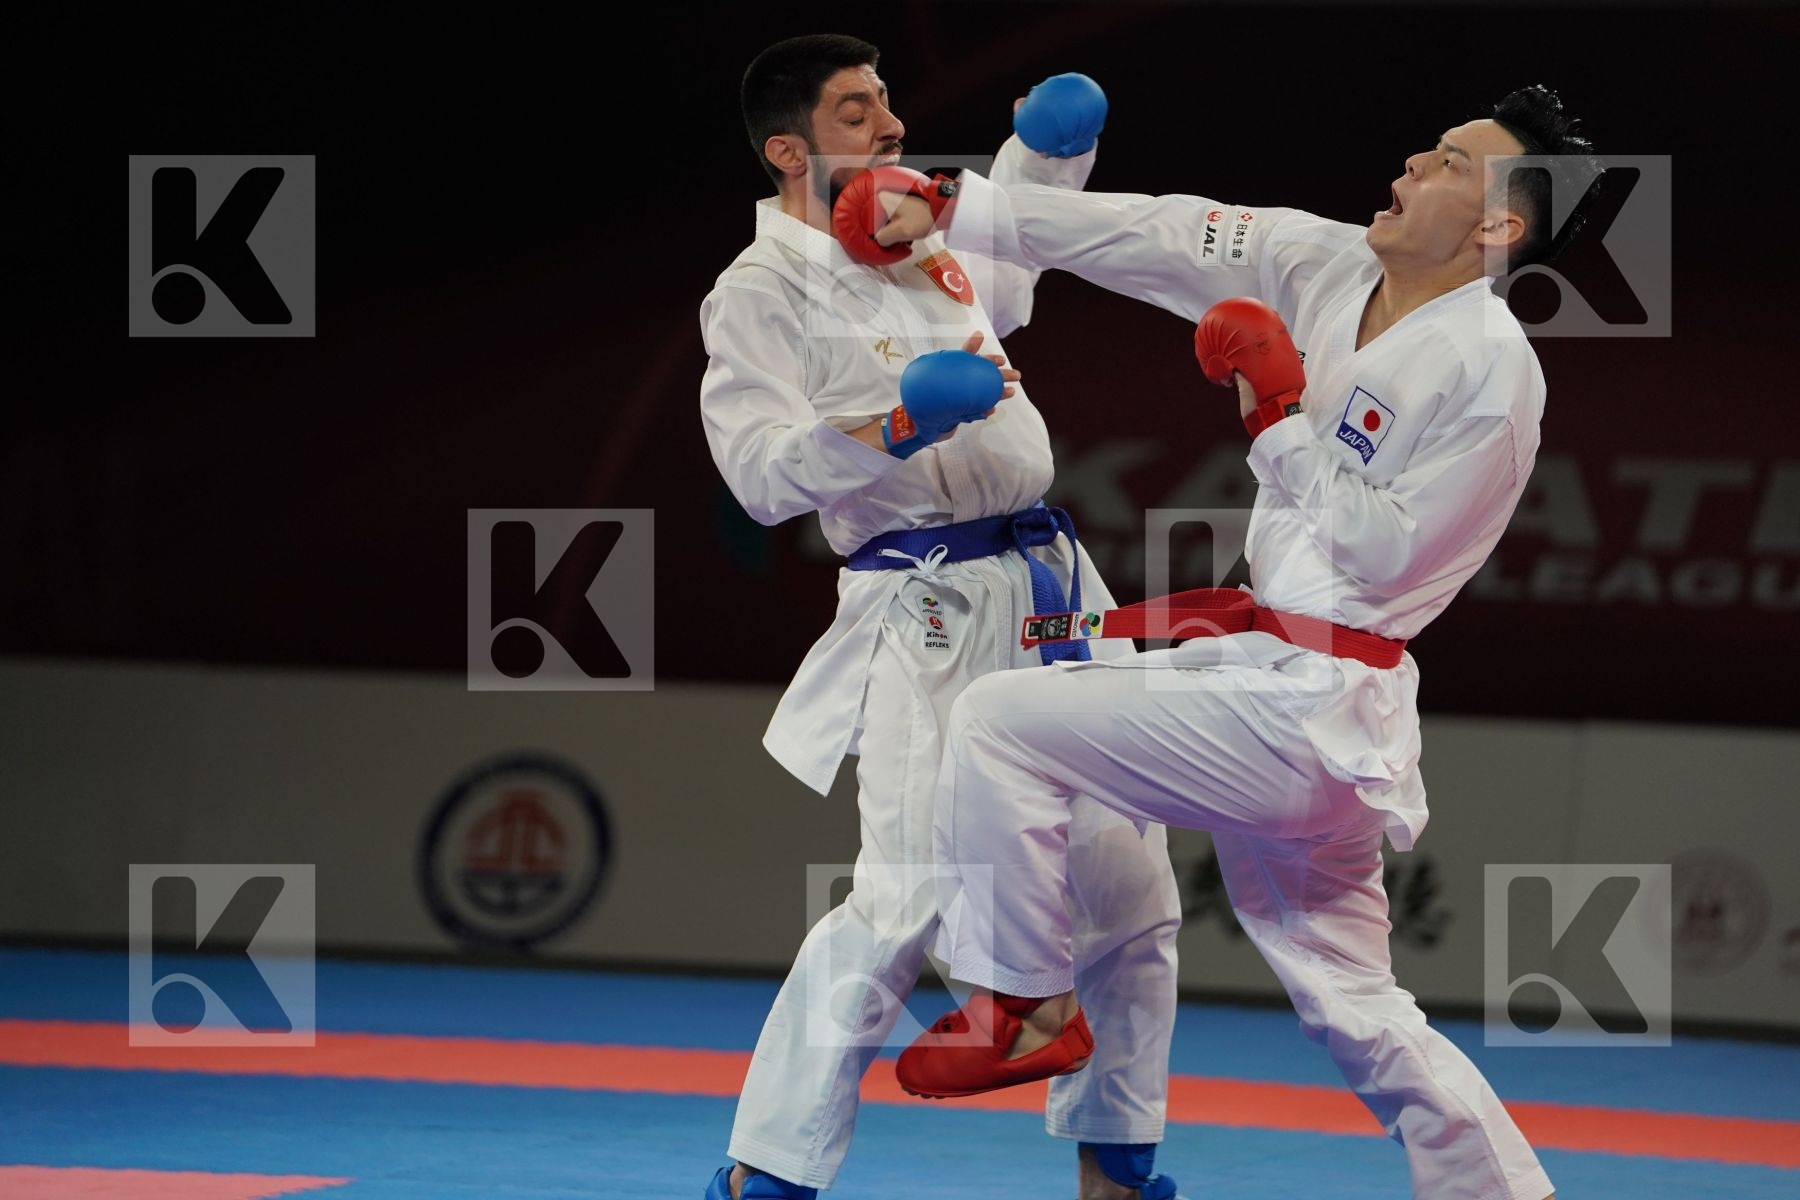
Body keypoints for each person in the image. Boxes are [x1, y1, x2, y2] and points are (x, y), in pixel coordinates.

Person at [882, 85, 1602, 1200]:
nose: (1414, 156)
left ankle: (1021, 998)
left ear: (1500, 225)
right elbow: (1155, 230)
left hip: (1316, 709)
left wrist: (1279, 420)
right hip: (1267, 674)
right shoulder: (1324, 263)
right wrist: (952, 205)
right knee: (1355, 1008)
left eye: (1453, 160)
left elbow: (1387, 562)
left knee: (999, 722)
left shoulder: (1491, 370)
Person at [697, 36, 1186, 1200]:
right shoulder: (758, 292)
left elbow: (1006, 276)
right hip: (927, 602)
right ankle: (766, 1177)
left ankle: (1118, 1173)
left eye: (886, 104)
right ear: (789, 149)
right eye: (857, 111)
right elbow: (760, 477)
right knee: (911, 890)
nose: (892, 126)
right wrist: (896, 425)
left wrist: (1047, 154)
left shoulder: (916, 238)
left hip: (1055, 588)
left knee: (1128, 885)